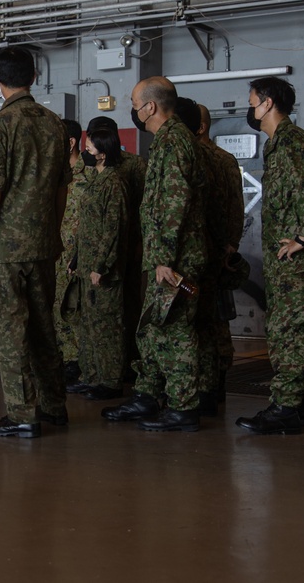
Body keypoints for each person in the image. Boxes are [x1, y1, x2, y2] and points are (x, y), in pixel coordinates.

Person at [0, 46, 71, 439]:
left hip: (7, 248)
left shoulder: (0, 124)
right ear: (34, 78)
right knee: (43, 328)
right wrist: (52, 230)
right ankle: (55, 406)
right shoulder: (55, 124)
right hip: (43, 244)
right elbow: (61, 189)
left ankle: (23, 414)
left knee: (6, 330)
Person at [102, 76, 207, 432]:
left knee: (174, 329)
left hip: (174, 258)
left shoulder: (175, 141)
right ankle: (148, 394)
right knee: (151, 330)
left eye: (134, 103)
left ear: (150, 107)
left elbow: (174, 203)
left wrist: (163, 259)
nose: (133, 110)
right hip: (166, 255)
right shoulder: (167, 140)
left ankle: (183, 406)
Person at [236, 77, 304, 434]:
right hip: (283, 260)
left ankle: (285, 408)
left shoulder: (292, 141)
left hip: (295, 261)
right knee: (287, 331)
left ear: (268, 103)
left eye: (253, 100)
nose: (251, 107)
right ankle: (303, 406)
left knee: (288, 333)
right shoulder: (278, 143)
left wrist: (302, 237)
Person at [65, 128, 129, 401]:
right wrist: (77, 259)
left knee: (106, 327)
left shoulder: (114, 183)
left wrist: (100, 266)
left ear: (103, 153)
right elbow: (87, 226)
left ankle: (110, 380)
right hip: (86, 264)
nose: (86, 151)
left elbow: (113, 230)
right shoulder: (96, 180)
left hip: (102, 270)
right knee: (89, 325)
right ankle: (91, 376)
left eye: (89, 147)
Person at [85, 116, 146, 376]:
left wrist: (103, 262)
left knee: (119, 315)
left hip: (123, 253)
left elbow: (119, 223)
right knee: (97, 318)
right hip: (97, 254)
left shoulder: (126, 171)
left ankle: (121, 370)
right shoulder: (95, 176)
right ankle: (97, 372)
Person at [196, 103, 245, 408]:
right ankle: (214, 382)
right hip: (215, 248)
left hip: (209, 251)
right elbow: (237, 207)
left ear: (200, 127)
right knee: (214, 318)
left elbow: (232, 205)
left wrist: (228, 244)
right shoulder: (224, 159)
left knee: (210, 318)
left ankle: (210, 383)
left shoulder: (210, 159)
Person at [55, 118, 91, 386]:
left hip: (76, 258)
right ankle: (61, 358)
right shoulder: (53, 176)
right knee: (55, 308)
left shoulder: (88, 176)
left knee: (73, 310)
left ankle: (75, 363)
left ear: (70, 142)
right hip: (52, 254)